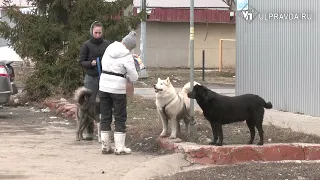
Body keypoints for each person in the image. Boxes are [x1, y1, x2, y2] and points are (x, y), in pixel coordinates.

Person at [99, 31, 139, 155]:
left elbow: (103, 63)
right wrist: (129, 73)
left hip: (104, 85)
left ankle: (105, 146)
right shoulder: (127, 55)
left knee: (105, 116)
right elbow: (133, 76)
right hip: (118, 89)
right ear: (130, 46)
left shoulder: (109, 48)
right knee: (120, 116)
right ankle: (119, 148)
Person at [79, 21, 111, 140]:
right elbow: (81, 61)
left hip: (104, 77)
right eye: (95, 33)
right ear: (92, 32)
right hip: (91, 77)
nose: (97, 35)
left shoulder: (107, 44)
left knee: (105, 102)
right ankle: (89, 131)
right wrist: (90, 63)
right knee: (88, 104)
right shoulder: (86, 45)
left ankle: (105, 131)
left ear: (102, 33)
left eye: (99, 33)